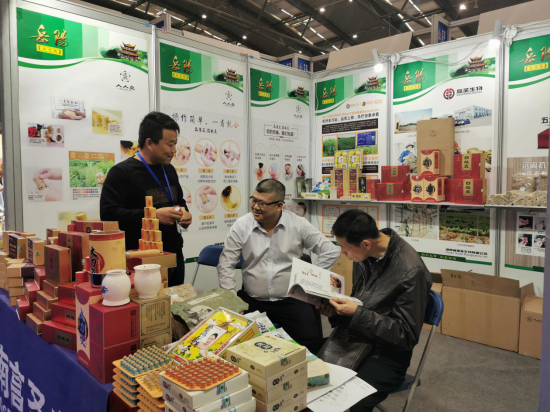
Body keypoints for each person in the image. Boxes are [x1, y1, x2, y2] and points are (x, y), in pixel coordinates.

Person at [316, 209, 431, 412]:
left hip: (387, 355)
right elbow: (363, 303)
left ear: (366, 244)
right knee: (302, 371)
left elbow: (405, 335)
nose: (343, 254)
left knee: (350, 402)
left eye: (345, 248)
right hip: (354, 340)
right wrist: (336, 313)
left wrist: (356, 313)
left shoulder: (411, 271)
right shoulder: (366, 255)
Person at [218, 179, 341, 354]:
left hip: (290, 300)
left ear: (279, 206)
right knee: (241, 347)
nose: (256, 207)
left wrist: (308, 280)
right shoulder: (241, 225)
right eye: (254, 200)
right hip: (252, 300)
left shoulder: (298, 224)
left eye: (262, 203)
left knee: (310, 346)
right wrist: (232, 302)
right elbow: (226, 263)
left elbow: (330, 251)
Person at [101, 112, 192, 286]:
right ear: (149, 143)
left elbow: (178, 201)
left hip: (173, 255)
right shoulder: (121, 173)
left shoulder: (169, 170)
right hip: (140, 262)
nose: (174, 150)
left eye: (175, 144)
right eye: (170, 144)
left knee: (176, 300)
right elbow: (108, 215)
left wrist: (184, 214)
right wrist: (153, 216)